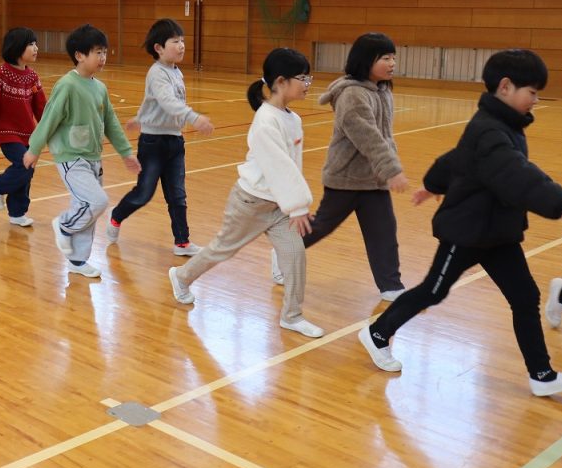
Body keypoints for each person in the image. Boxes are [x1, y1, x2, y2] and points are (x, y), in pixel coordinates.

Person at [359, 49, 562, 397]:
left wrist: (433, 183)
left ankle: (542, 375)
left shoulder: (501, 125)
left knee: (525, 296)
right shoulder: (490, 130)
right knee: (434, 290)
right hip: (467, 232)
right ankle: (377, 333)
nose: (536, 100)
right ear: (505, 87)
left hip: (498, 232)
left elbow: (458, 158)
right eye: (532, 92)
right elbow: (515, 173)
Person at [167, 48, 325, 339]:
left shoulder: (293, 119)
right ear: (281, 82)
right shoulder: (266, 121)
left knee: (295, 254)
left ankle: (292, 315)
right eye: (303, 78)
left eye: (308, 78)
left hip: (279, 207)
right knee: (221, 250)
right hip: (250, 203)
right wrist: (299, 205)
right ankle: (181, 276)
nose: (308, 84)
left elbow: (292, 167)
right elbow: (278, 167)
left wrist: (292, 205)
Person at [271, 32, 409, 302]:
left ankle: (391, 285)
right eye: (385, 58)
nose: (392, 63)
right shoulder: (352, 95)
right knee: (321, 226)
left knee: (384, 232)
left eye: (393, 57)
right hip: (346, 178)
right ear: (366, 60)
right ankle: (282, 251)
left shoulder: (382, 91)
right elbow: (368, 137)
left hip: (373, 180)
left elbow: (385, 136)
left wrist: (386, 170)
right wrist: (392, 169)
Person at [23, 24, 140, 278]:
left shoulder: (100, 88)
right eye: (97, 52)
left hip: (93, 157)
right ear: (79, 55)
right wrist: (34, 148)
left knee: (87, 208)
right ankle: (63, 226)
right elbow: (49, 118)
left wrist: (126, 152)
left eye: (104, 52)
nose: (103, 57)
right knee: (97, 201)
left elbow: (111, 122)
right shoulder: (67, 85)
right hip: (70, 156)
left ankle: (77, 261)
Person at [105, 18, 214, 256]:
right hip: (153, 144)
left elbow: (151, 101)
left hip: (175, 142)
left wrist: (139, 117)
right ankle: (116, 216)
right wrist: (193, 117)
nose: (181, 45)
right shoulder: (157, 73)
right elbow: (166, 101)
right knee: (144, 193)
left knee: (177, 194)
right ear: (158, 48)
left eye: (182, 40)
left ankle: (182, 242)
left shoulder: (175, 72)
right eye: (175, 41)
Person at [0, 27, 47, 227]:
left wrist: (51, 130)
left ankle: (17, 212)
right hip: (7, 133)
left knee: (27, 170)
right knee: (25, 165)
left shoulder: (32, 77)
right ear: (17, 47)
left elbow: (42, 107)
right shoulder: (1, 74)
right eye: (31, 44)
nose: (36, 48)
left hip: (28, 134)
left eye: (36, 43)